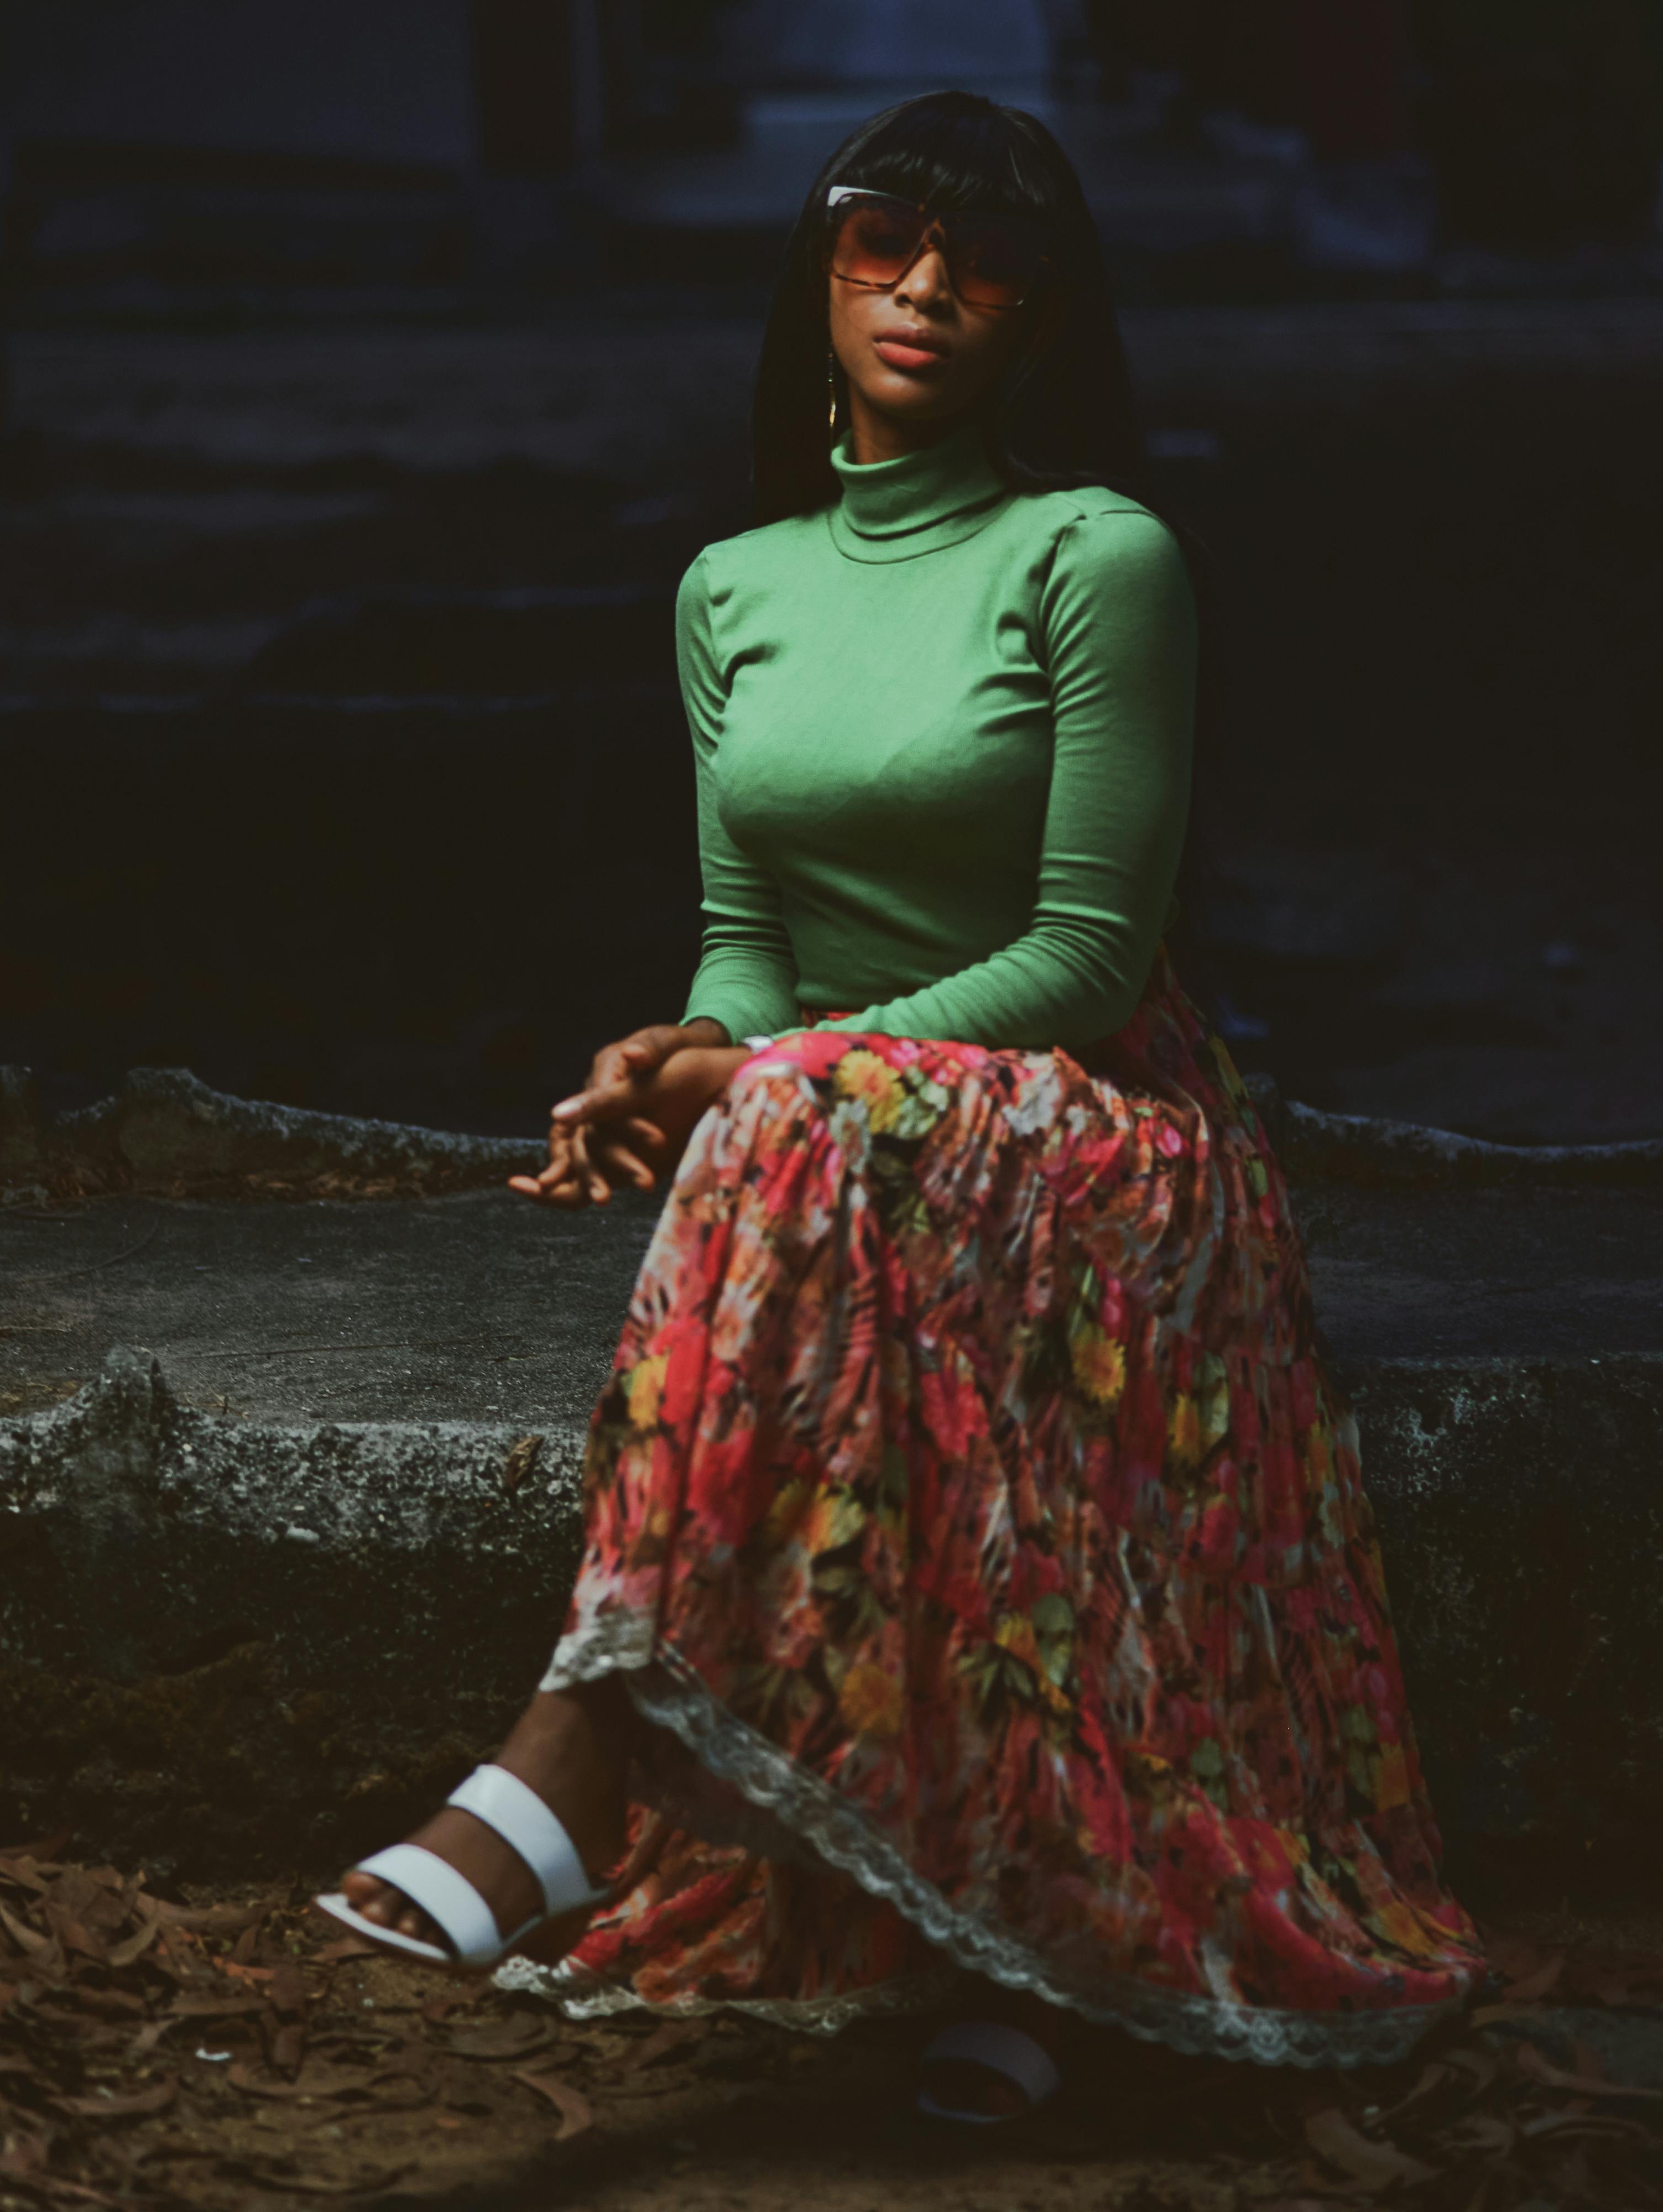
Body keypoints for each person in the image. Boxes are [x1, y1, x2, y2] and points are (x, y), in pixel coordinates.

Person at [319, 90, 1484, 2121]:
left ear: (1045, 315)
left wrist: (764, 1082)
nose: (929, 287)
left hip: (1095, 1123)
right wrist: (679, 1058)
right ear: (820, 268)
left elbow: (1092, 958)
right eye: (882, 240)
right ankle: (989, 1942)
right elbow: (746, 939)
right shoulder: (729, 587)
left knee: (783, 1131)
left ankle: (575, 1764)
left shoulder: (1096, 556)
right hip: (843, 1132)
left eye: (989, 261)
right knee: (780, 1136)